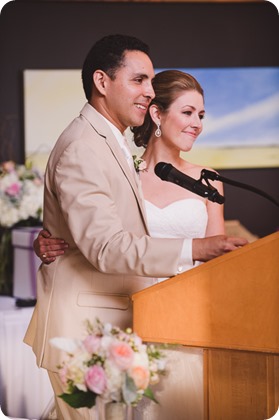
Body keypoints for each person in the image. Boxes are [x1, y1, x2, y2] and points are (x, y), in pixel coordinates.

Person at [32, 64, 248, 420]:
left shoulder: (209, 180)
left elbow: (218, 259)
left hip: (188, 326)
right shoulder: (121, 173)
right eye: (188, 112)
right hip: (124, 322)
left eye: (202, 115)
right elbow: (99, 237)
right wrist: (51, 244)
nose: (197, 123)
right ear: (156, 114)